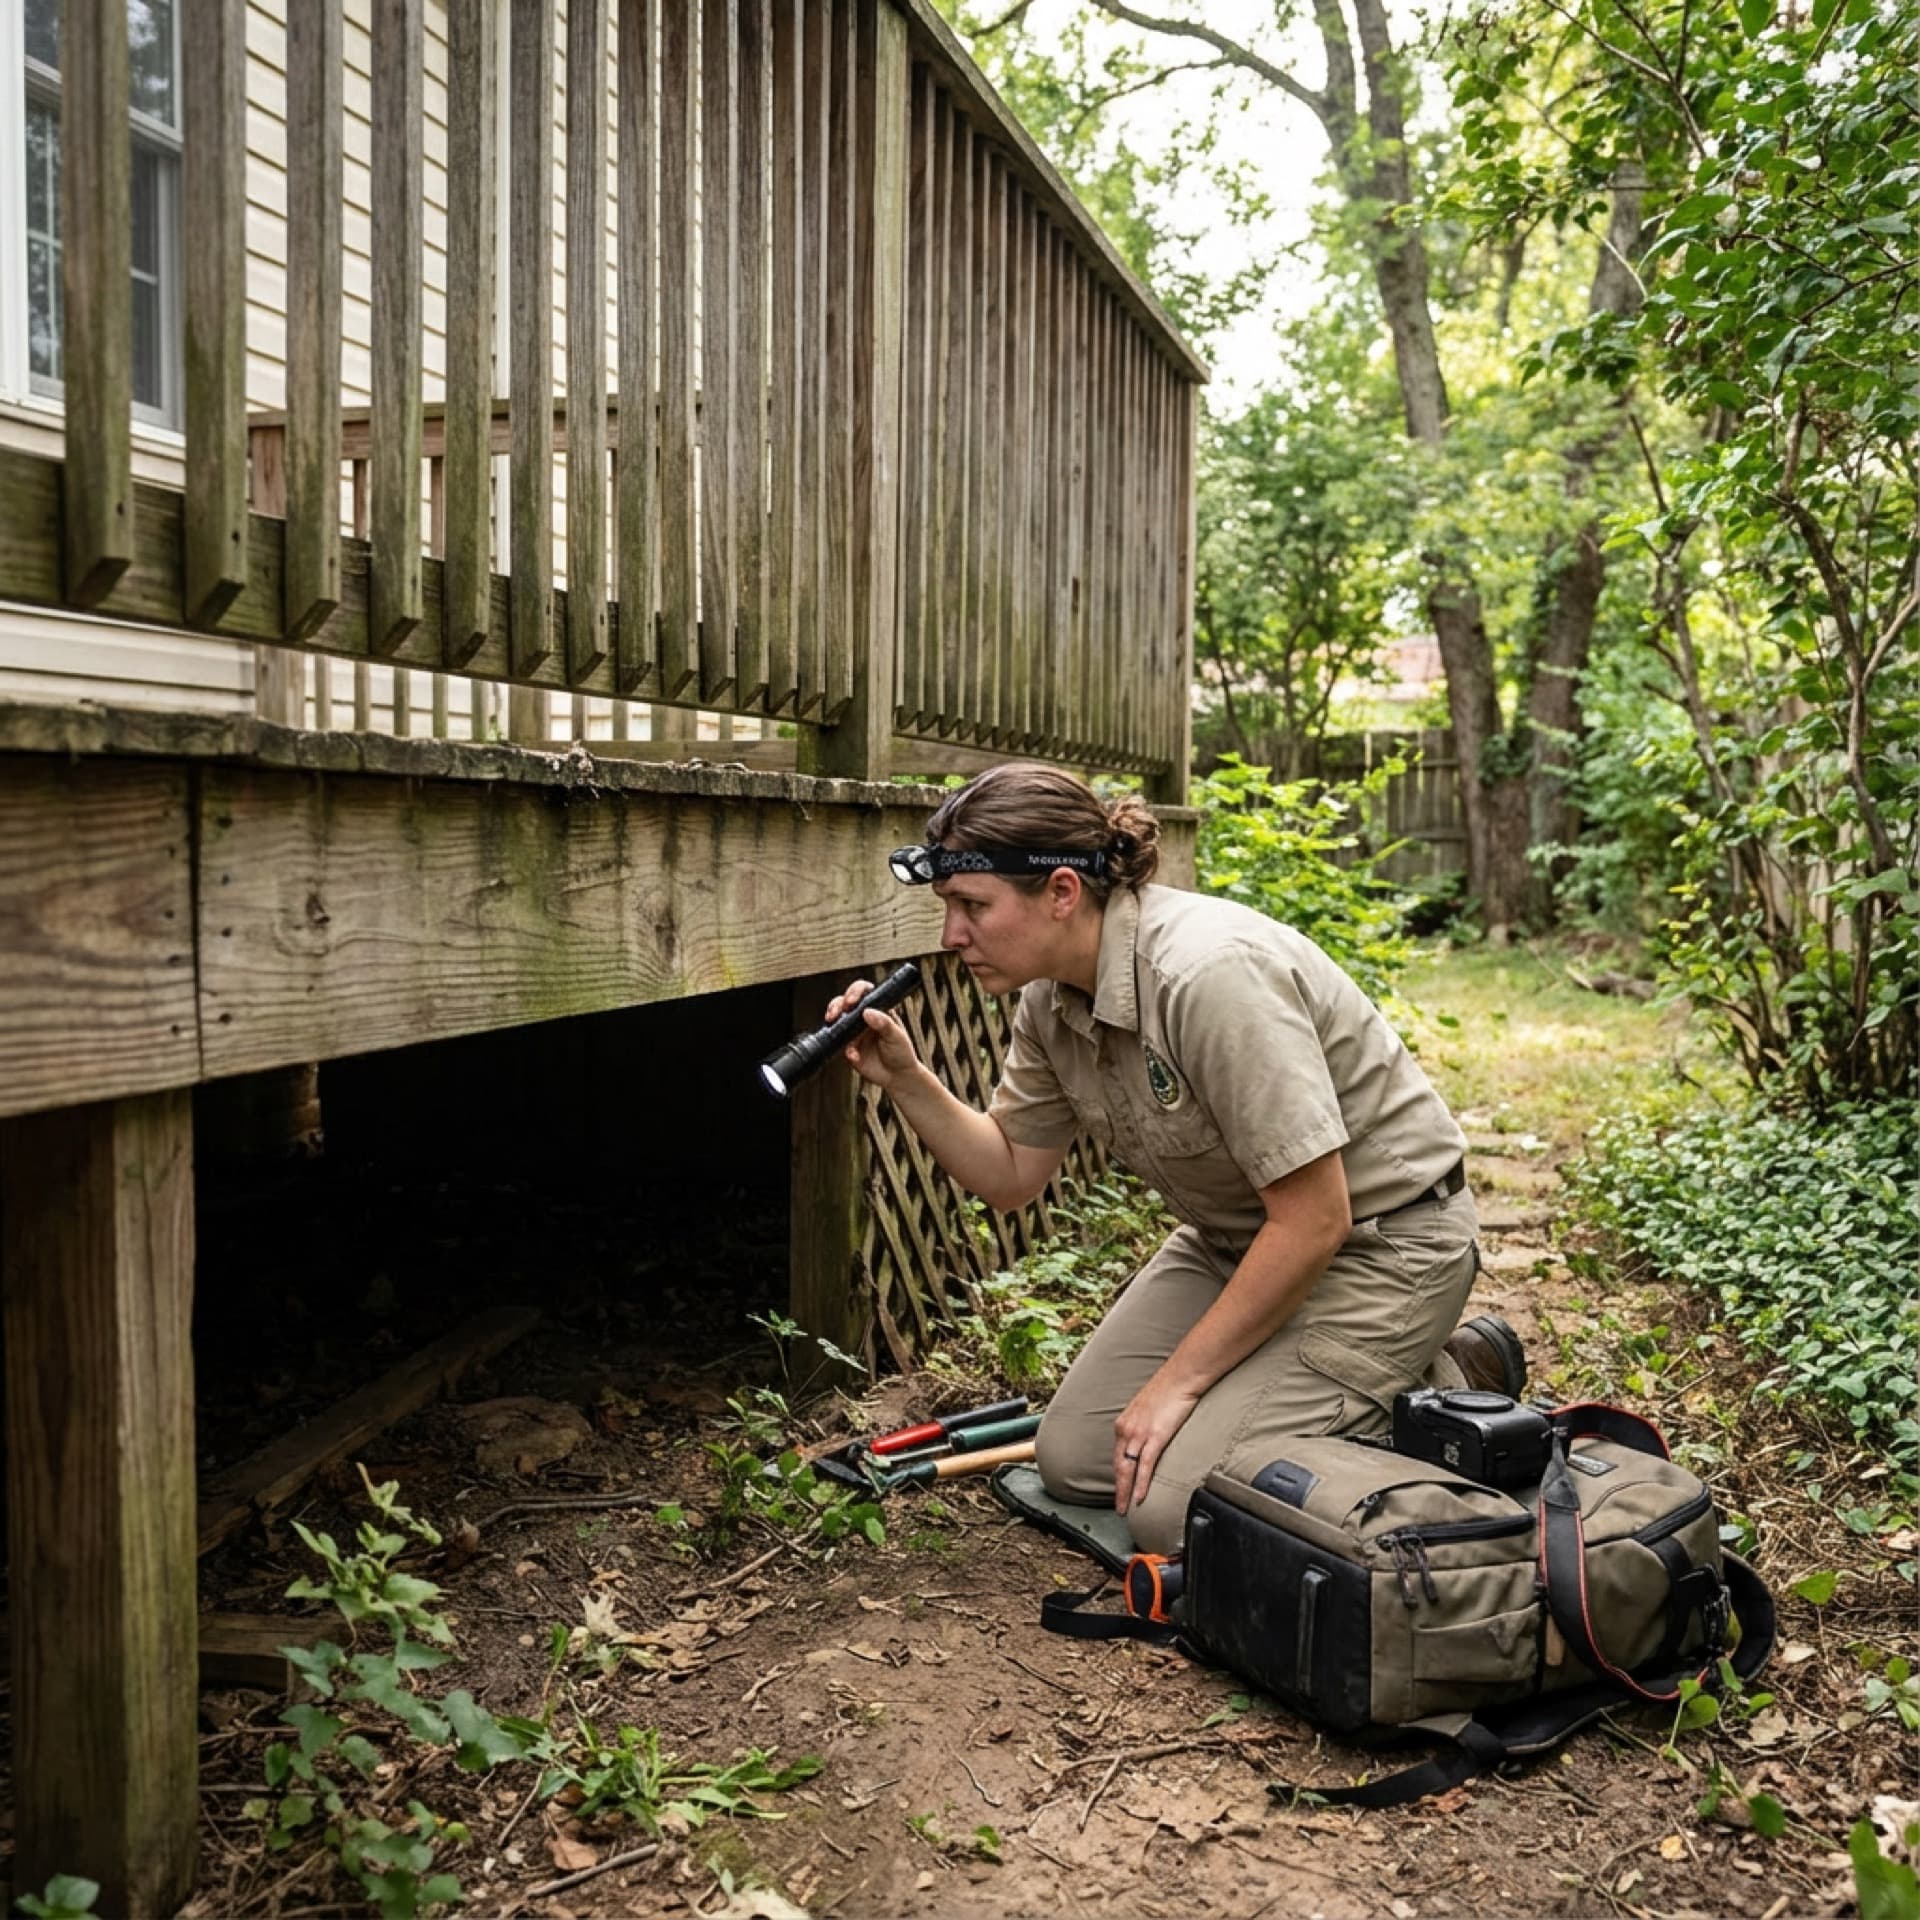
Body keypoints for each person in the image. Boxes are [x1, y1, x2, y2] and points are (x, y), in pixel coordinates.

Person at [828, 762, 1524, 1555]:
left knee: (1171, 1511)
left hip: (1384, 1247)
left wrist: (1178, 1385)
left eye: (971, 907)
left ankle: (1448, 1388)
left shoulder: (1205, 974)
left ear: (1061, 891)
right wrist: (906, 1078)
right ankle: (1351, 1379)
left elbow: (1317, 1217)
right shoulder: (1050, 997)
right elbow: (1012, 1174)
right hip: (1240, 1243)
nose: (951, 935)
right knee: (1079, 1462)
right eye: (949, 908)